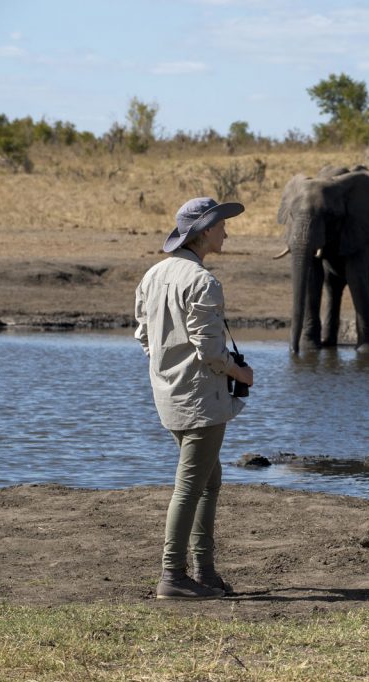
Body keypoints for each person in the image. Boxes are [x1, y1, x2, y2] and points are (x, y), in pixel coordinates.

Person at [135, 197, 255, 601]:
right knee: (190, 486)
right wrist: (241, 374)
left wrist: (168, 367)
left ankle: (203, 569)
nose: (226, 231)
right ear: (204, 232)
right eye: (220, 225)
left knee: (209, 479)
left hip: (169, 396)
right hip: (201, 400)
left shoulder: (153, 275)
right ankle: (173, 575)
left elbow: (143, 337)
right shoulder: (203, 281)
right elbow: (209, 352)